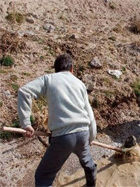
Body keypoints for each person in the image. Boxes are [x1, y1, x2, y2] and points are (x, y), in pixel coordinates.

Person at [17, 54, 97, 186]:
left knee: (43, 176)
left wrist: (26, 123)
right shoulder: (80, 84)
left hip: (63, 137)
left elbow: (24, 91)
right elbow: (90, 114)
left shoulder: (49, 79)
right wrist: (91, 138)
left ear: (56, 69)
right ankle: (91, 184)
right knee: (88, 163)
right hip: (83, 134)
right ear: (72, 69)